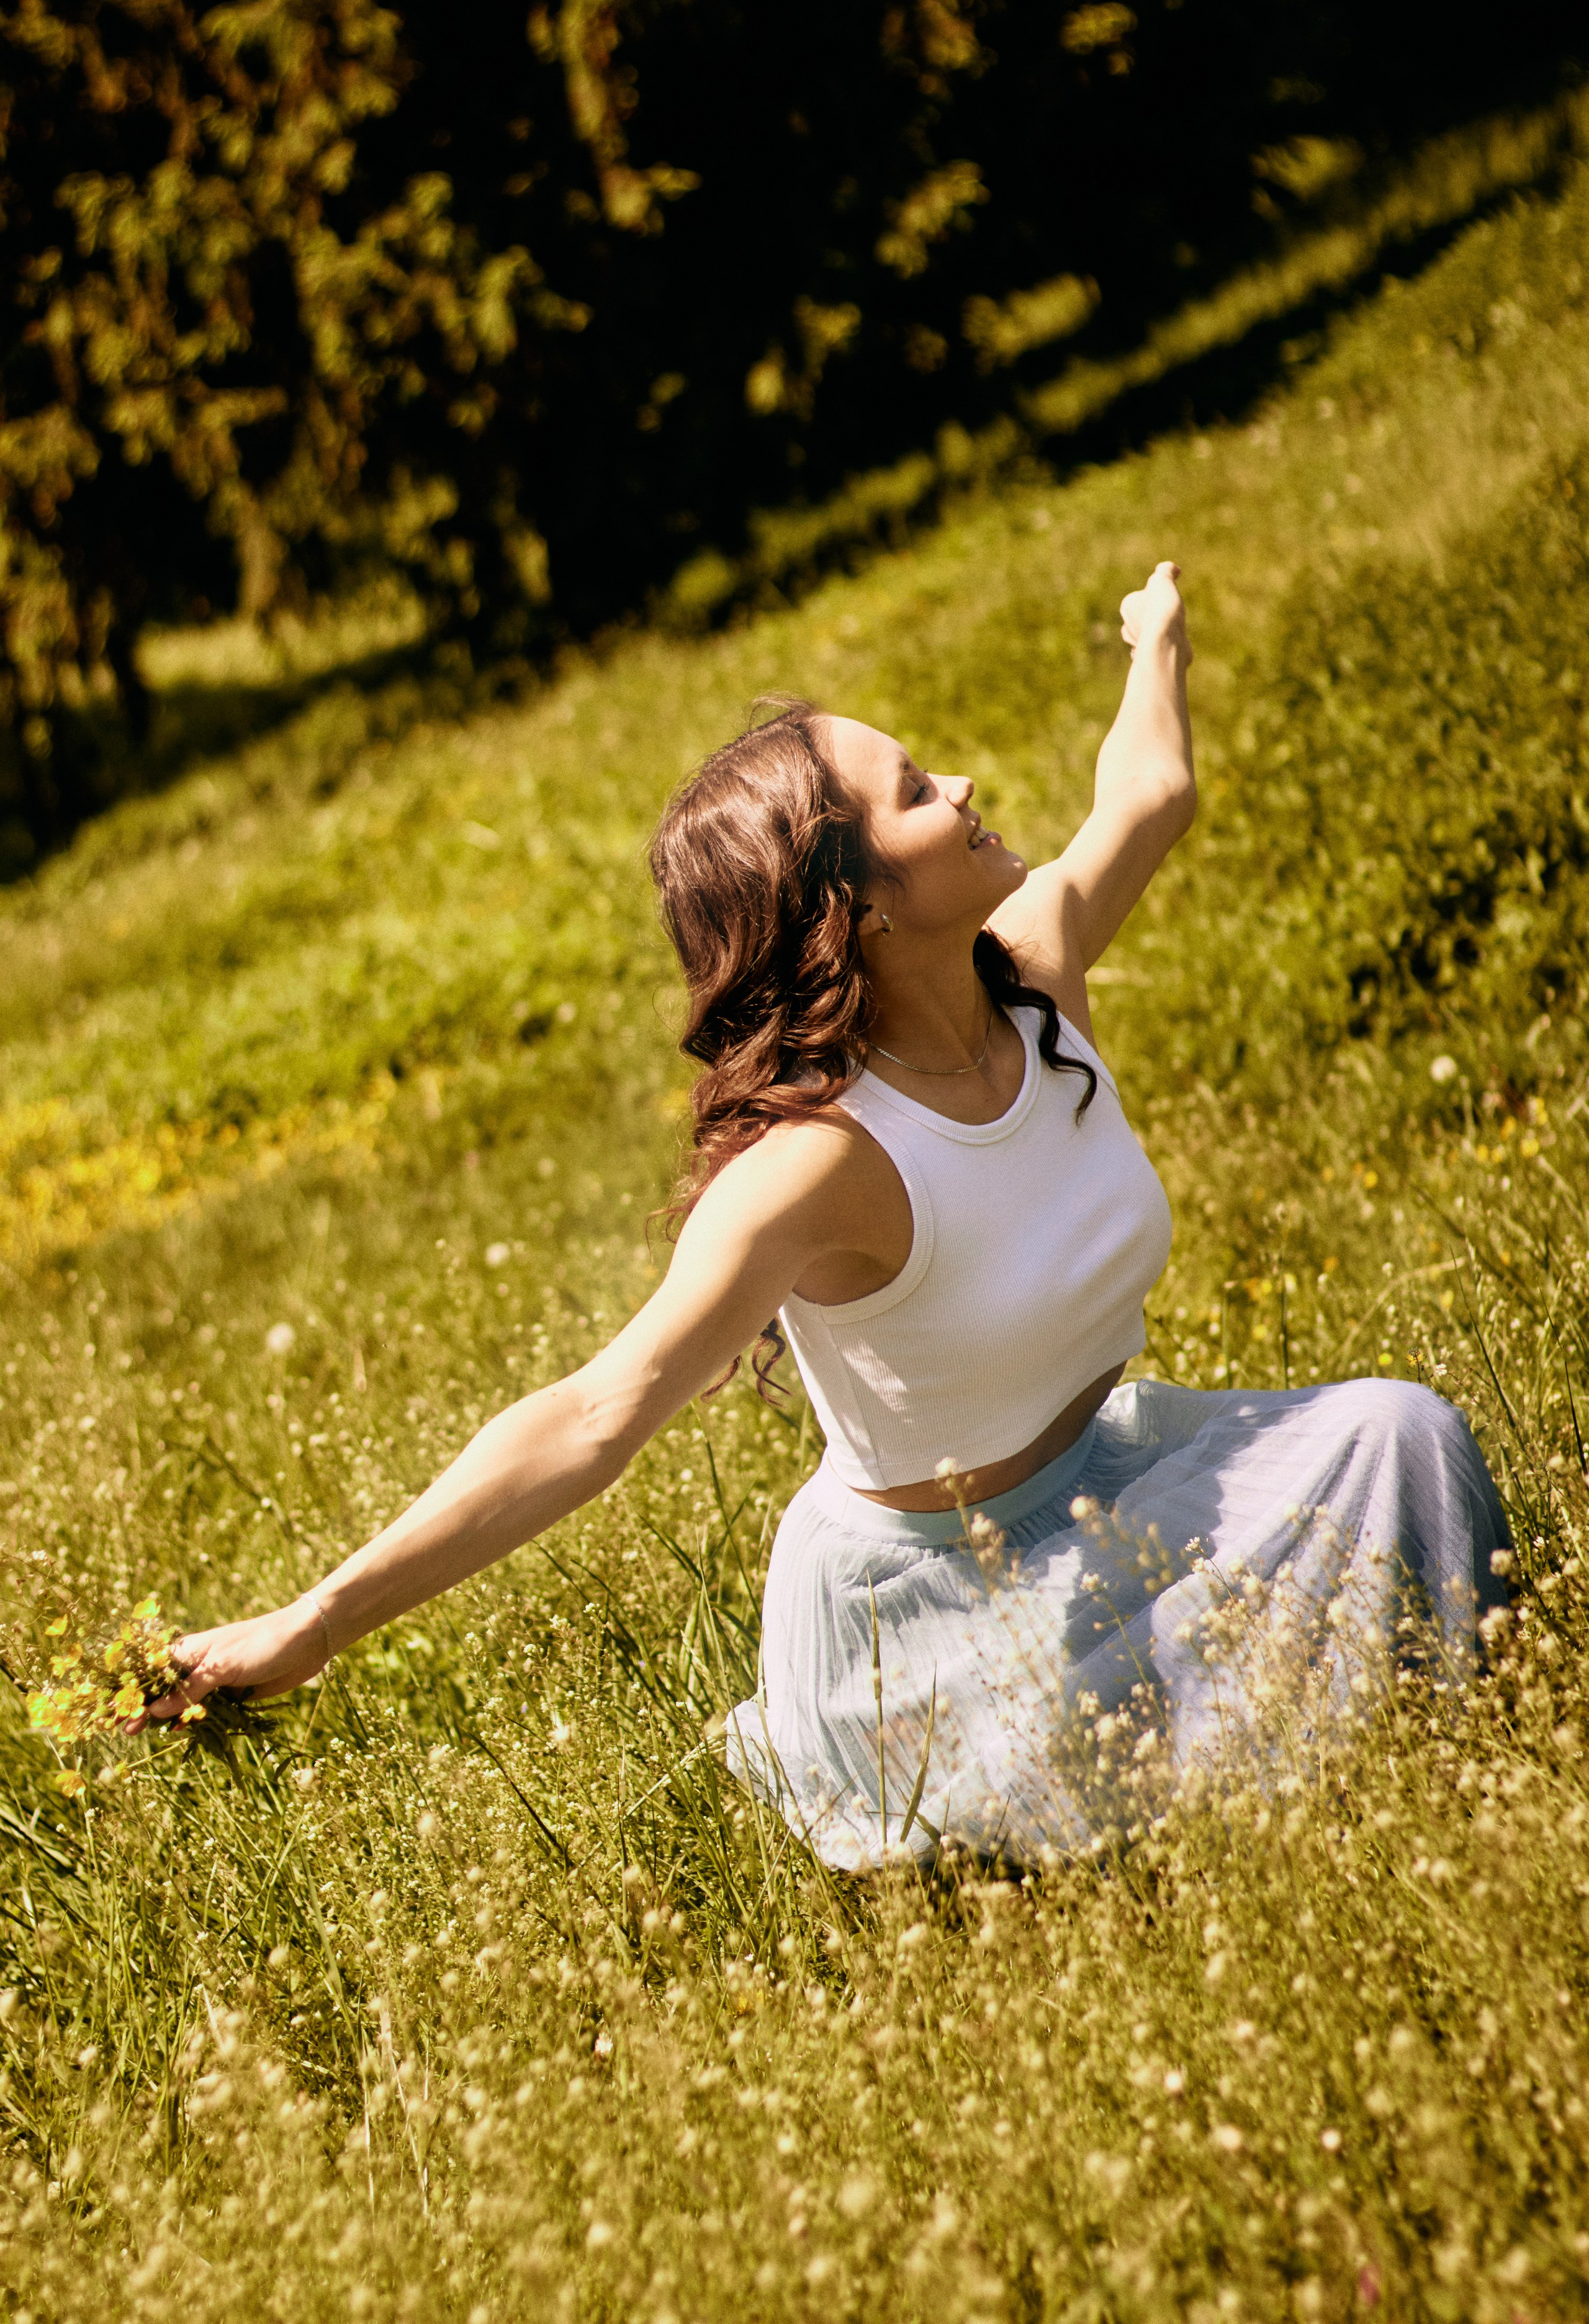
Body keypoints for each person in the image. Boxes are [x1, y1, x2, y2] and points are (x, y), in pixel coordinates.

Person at [145, 562, 1509, 1867]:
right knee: (1212, 1755)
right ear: (855, 908)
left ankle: (1464, 1771)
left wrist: (1154, 635)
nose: (965, 787)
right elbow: (593, 1412)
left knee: (1399, 1436)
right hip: (933, 1612)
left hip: (1104, 1483)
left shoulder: (1031, 972)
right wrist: (312, 1625)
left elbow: (1149, 790)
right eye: (918, 794)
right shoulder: (819, 1166)